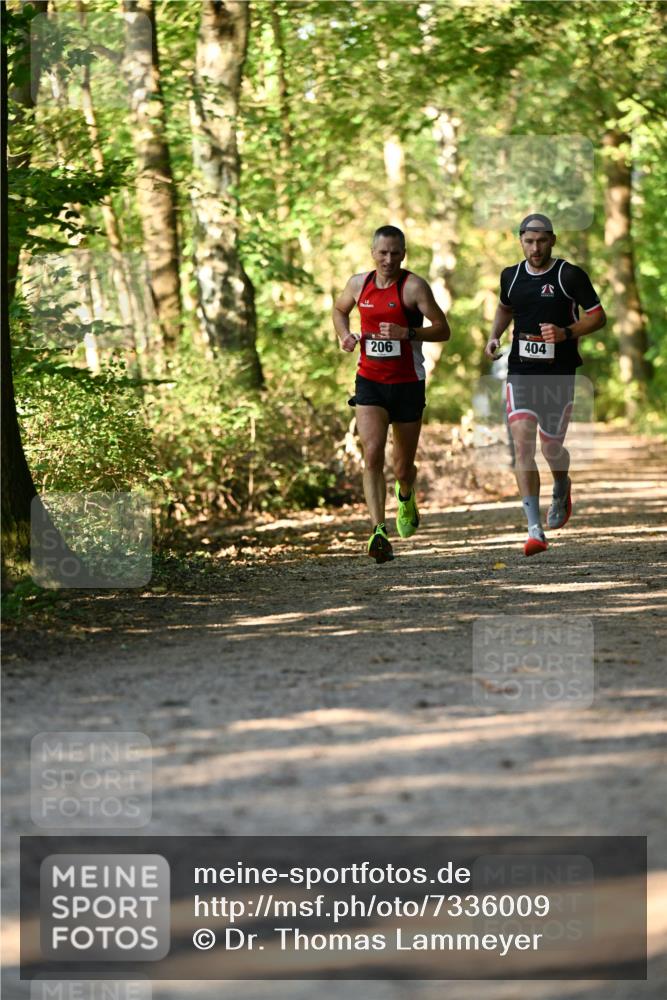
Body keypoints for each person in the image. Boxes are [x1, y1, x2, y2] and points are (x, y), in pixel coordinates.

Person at [484, 213, 606, 556]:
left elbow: (598, 315)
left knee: (551, 447)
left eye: (541, 241)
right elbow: (505, 307)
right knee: (523, 445)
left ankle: (562, 484)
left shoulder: (569, 275)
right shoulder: (510, 276)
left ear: (551, 240)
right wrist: (494, 336)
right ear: (520, 241)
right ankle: (534, 529)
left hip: (559, 373)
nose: (535, 248)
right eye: (529, 241)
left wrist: (566, 333)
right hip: (521, 371)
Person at [333, 226, 450, 563]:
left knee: (402, 466)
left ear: (404, 253)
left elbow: (444, 329)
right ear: (373, 252)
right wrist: (344, 336)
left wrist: (408, 332)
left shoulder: (413, 287)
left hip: (407, 384)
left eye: (395, 252)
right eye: (383, 252)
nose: (388, 259)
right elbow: (339, 310)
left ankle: (406, 493)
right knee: (371, 453)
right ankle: (378, 531)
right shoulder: (359, 284)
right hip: (369, 381)